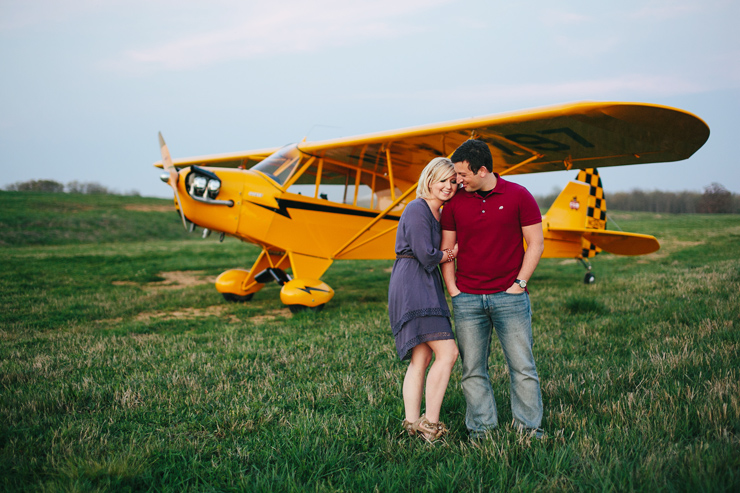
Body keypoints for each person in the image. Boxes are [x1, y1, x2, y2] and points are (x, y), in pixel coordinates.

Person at [440, 139, 545, 440]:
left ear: (483, 170)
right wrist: (453, 290)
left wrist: (520, 284)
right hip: (468, 299)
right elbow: (447, 249)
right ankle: (481, 432)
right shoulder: (456, 203)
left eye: (462, 175)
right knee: (472, 369)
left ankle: (529, 431)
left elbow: (535, 244)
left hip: (509, 297)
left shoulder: (519, 196)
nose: (457, 181)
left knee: (522, 367)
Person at [388, 157, 460, 442]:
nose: (448, 186)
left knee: (423, 354)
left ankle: (411, 422)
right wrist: (450, 254)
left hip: (420, 281)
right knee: (448, 353)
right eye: (442, 180)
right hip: (414, 282)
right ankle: (429, 425)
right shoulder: (417, 208)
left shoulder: (436, 212)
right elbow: (426, 254)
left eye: (453, 181)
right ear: (429, 179)